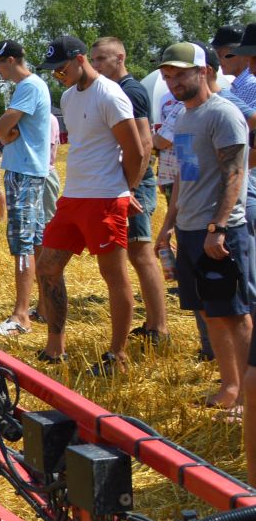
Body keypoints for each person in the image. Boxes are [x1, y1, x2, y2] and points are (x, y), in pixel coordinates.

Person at [35, 35, 147, 373]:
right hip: (73, 198)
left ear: (80, 59)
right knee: (47, 267)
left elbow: (137, 151)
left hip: (104, 200)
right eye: (53, 72)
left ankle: (118, 355)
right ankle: (56, 347)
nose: (59, 76)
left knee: (113, 276)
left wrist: (125, 190)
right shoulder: (68, 97)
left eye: (62, 69)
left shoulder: (111, 95)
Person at [153, 42, 250, 419]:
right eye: (168, 76)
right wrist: (168, 225)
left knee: (234, 313)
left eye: (180, 74)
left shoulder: (222, 113)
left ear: (204, 71)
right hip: (193, 229)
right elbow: (184, 175)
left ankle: (247, 397)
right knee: (211, 312)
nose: (173, 81)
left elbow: (234, 172)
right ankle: (230, 386)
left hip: (219, 231)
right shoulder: (185, 117)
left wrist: (219, 227)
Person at [91, 37, 165, 344]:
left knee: (141, 252)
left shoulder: (129, 90)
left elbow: (144, 143)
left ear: (120, 57)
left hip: (133, 182)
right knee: (137, 253)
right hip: (125, 182)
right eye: (93, 60)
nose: (95, 65)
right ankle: (153, 324)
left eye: (101, 59)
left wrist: (130, 187)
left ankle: (158, 328)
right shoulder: (113, 90)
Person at [0, 40, 52, 337]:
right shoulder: (32, 86)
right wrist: (7, 131)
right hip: (28, 169)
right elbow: (3, 131)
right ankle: (45, 307)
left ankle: (21, 315)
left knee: (23, 243)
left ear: (11, 60)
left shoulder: (28, 87)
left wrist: (6, 132)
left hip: (24, 171)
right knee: (34, 240)